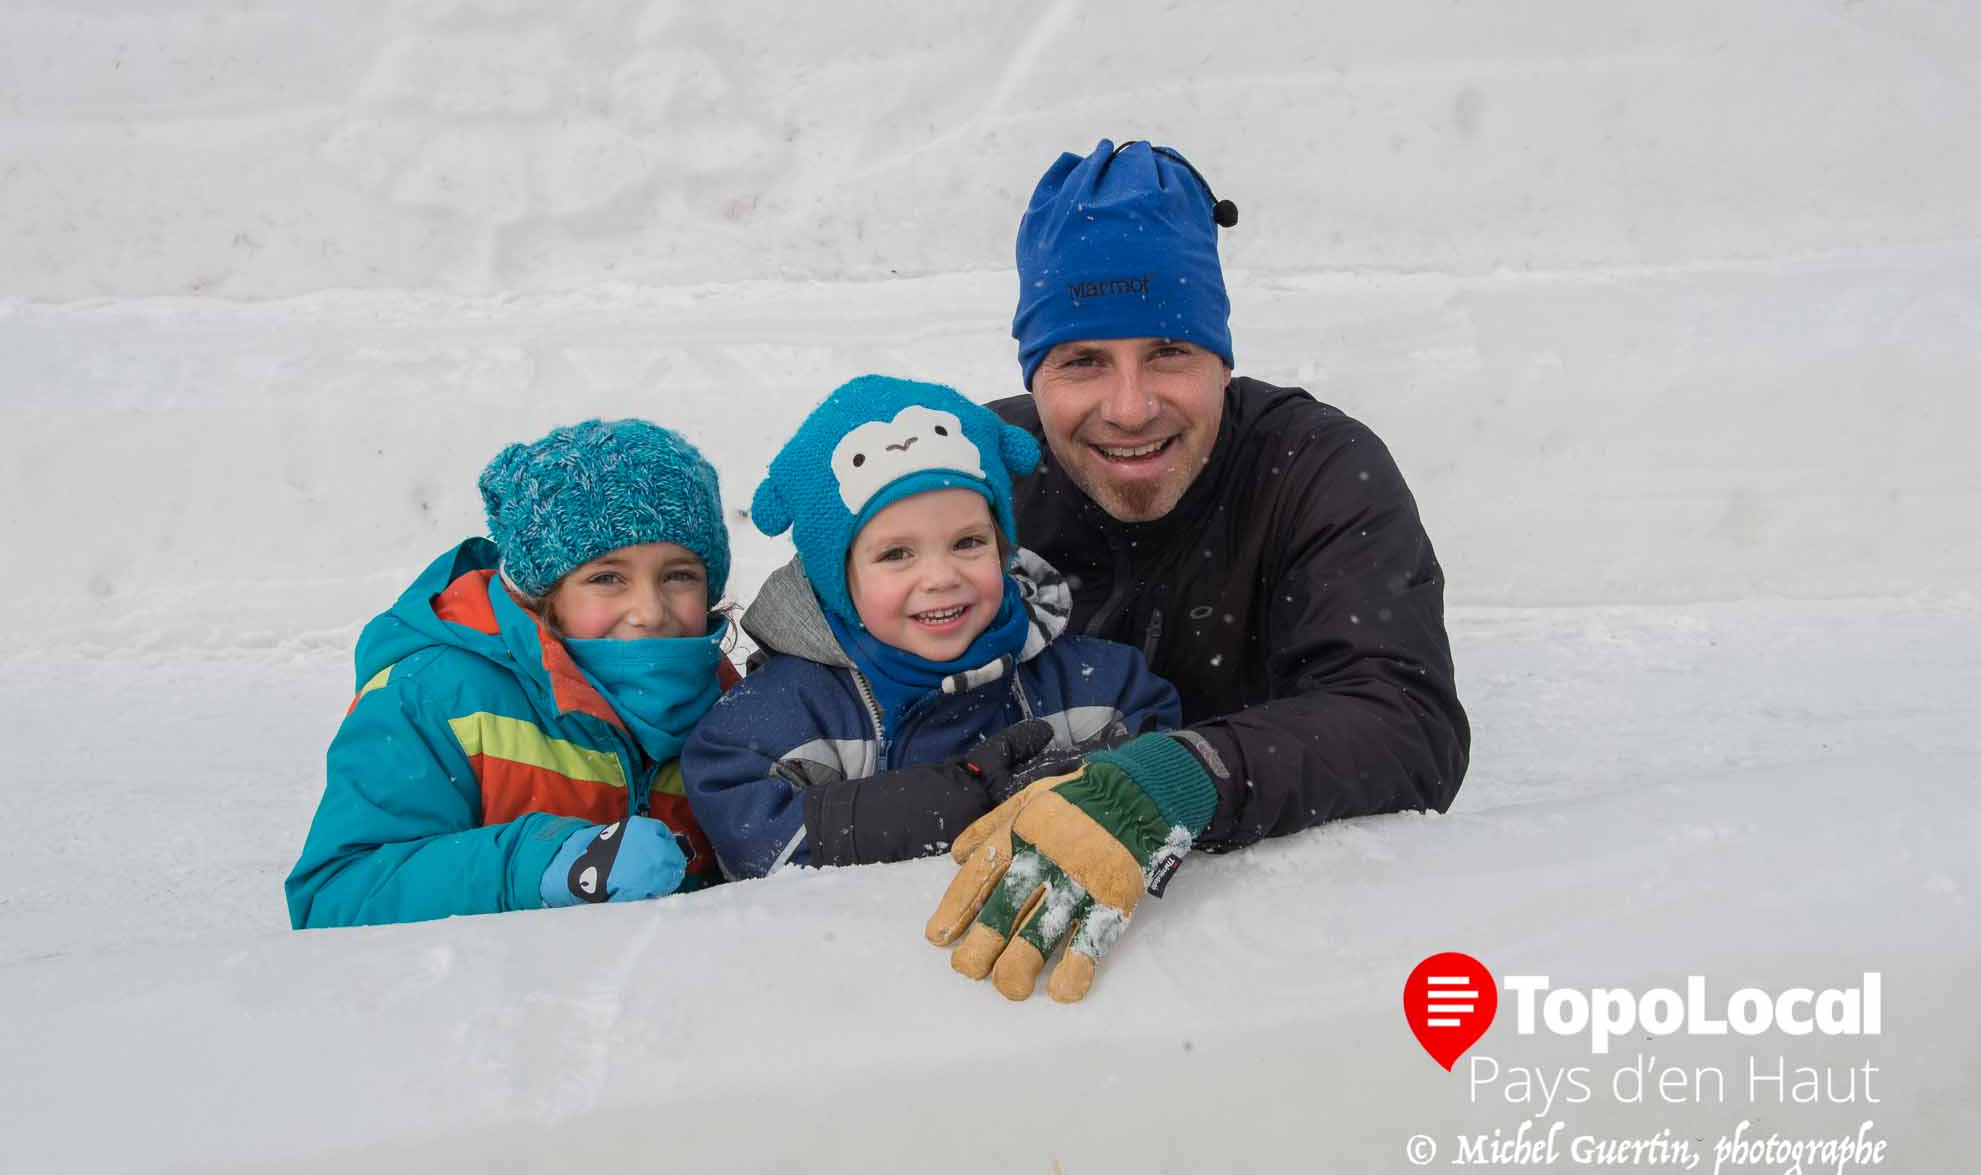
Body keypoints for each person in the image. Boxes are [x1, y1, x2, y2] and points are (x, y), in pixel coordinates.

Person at [924, 139, 1473, 1002]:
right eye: (1084, 360)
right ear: (1035, 371)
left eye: (1169, 351)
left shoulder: (1314, 468)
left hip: (1274, 975)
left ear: (1222, 355)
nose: (1130, 407)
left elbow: (1405, 723)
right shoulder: (974, 478)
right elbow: (824, 665)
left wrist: (1187, 772)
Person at [680, 375, 1183, 878]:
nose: (941, 577)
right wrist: (943, 800)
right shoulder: (794, 709)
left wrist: (1077, 787)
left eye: (968, 543)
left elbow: (1164, 763)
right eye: (897, 554)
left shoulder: (1091, 683)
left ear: (1002, 550)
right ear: (838, 579)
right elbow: (748, 829)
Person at [286, 418, 738, 928]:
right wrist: (544, 865)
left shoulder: (728, 701)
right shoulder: (433, 694)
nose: (650, 612)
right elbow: (336, 895)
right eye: (607, 577)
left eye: (678, 576)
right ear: (542, 593)